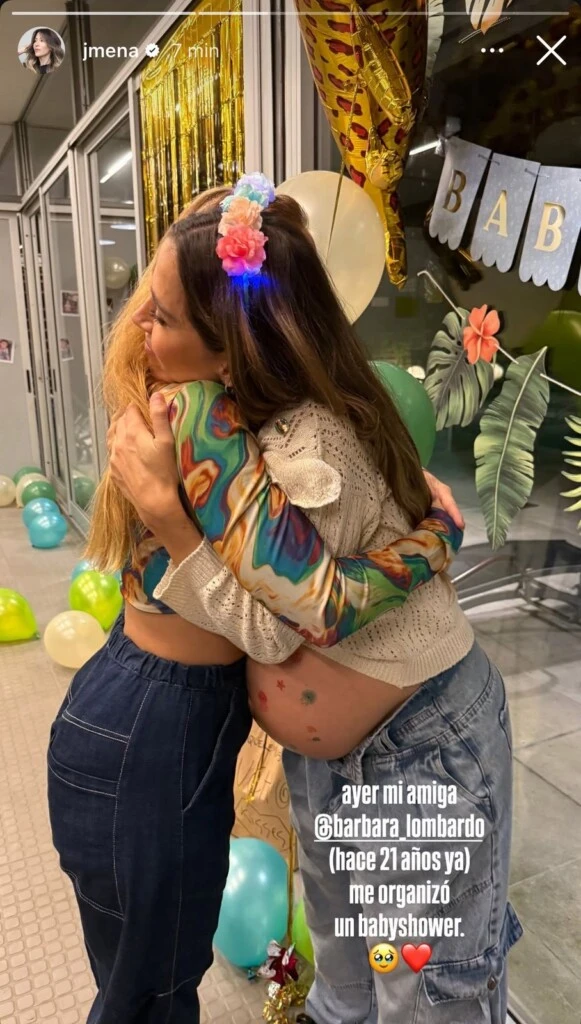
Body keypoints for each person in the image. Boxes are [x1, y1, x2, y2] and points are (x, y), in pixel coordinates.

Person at [107, 175, 522, 1024]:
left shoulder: (307, 445)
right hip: (333, 761)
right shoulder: (225, 417)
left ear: (231, 348)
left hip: (418, 750)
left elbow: (285, 626)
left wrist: (174, 528)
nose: (140, 325)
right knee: (342, 977)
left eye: (162, 315)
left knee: (426, 995)